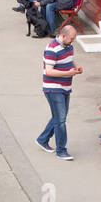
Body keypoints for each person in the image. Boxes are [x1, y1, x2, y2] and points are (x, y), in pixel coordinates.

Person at [36, 21, 83, 162]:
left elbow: (70, 59)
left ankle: (42, 139)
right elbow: (49, 71)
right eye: (71, 38)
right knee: (61, 120)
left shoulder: (69, 46)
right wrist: (68, 73)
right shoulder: (52, 49)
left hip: (65, 87)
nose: (73, 41)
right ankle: (61, 150)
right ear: (63, 36)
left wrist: (76, 67)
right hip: (53, 88)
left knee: (59, 117)